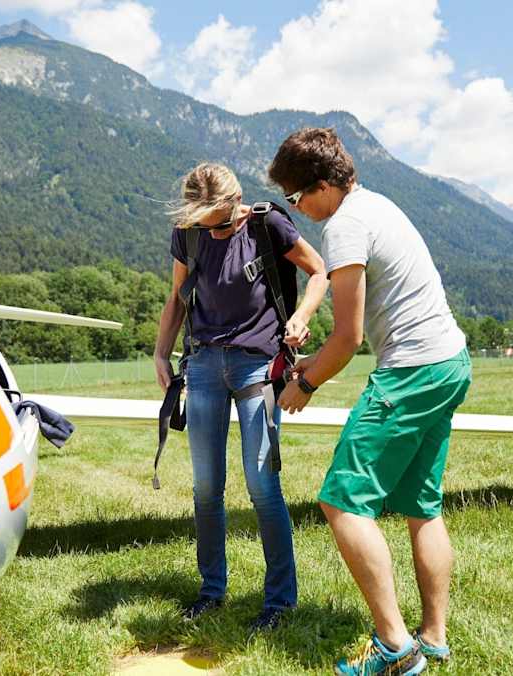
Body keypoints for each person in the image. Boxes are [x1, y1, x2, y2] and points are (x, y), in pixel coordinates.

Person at [269, 128, 471, 674]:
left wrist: (304, 385)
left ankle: (394, 649)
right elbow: (348, 340)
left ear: (320, 187)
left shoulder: (346, 226)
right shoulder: (377, 205)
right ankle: (432, 637)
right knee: (420, 506)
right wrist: (310, 364)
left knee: (341, 501)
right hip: (449, 362)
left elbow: (349, 337)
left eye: (296, 198)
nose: (299, 210)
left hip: (411, 373)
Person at [153, 162, 328, 631]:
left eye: (219, 219)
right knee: (206, 488)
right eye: (201, 219)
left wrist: (302, 315)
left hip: (257, 366)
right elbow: (177, 298)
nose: (210, 228)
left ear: (235, 201)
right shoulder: (188, 234)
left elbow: (319, 271)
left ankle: (280, 603)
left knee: (261, 485)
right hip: (205, 364)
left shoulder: (267, 223)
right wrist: (161, 354)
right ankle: (211, 592)